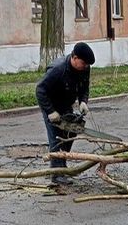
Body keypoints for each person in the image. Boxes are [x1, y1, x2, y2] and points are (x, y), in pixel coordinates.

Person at [35, 42, 95, 185]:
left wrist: (83, 101)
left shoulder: (84, 68)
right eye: (83, 63)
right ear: (74, 58)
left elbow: (84, 86)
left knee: (70, 133)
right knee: (56, 138)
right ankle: (56, 174)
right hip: (52, 105)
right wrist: (50, 111)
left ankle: (61, 166)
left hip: (66, 104)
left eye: (87, 65)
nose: (85, 66)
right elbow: (40, 90)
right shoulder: (58, 69)